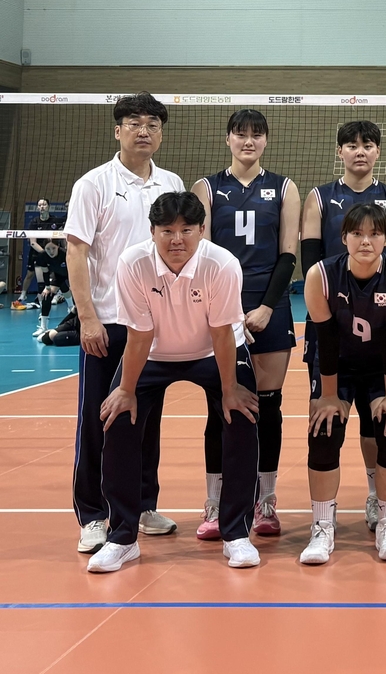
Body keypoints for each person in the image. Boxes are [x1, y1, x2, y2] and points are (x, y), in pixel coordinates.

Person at [87, 192, 260, 572]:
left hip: (214, 351)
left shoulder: (222, 264)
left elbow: (221, 332)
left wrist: (230, 389)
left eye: (186, 230)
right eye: (167, 230)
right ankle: (122, 537)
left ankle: (236, 534)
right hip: (153, 354)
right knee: (117, 419)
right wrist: (125, 391)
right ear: (152, 231)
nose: (176, 239)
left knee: (241, 417)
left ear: (202, 230)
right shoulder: (133, 263)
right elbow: (139, 335)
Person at [66, 92, 184, 555]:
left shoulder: (171, 184)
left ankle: (141, 504)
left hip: (154, 328)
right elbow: (77, 251)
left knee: (146, 419)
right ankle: (93, 515)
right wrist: (87, 318)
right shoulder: (93, 184)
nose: (144, 131)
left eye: (153, 124)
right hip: (109, 324)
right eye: (134, 123)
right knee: (98, 419)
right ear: (118, 131)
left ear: (161, 133)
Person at [194, 109, 300, 538]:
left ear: (266, 141)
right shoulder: (206, 188)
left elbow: (288, 255)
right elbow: (201, 254)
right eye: (241, 134)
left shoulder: (284, 188)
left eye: (257, 134)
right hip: (221, 308)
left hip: (269, 307)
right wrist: (226, 310)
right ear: (228, 139)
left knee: (268, 407)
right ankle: (216, 504)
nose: (249, 141)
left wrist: (267, 308)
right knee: (220, 404)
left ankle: (265, 502)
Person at [300, 119, 386, 533]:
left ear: (378, 151)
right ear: (339, 151)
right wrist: (328, 394)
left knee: (384, 421)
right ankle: (322, 525)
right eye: (351, 144)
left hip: (379, 328)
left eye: (367, 144)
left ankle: (380, 506)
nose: (359, 150)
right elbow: (312, 261)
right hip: (333, 319)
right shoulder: (320, 199)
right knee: (325, 422)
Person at [301, 204, 386, 565]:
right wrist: (329, 395)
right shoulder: (321, 275)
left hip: (382, 365)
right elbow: (325, 338)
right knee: (324, 430)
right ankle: (322, 526)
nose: (365, 241)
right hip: (337, 363)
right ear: (344, 238)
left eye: (374, 234)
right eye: (357, 233)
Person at [13, 198, 63, 310]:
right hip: (37, 252)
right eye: (40, 205)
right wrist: (45, 253)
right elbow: (33, 242)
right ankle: (23, 295)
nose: (42, 207)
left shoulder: (55, 220)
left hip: (50, 252)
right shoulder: (34, 222)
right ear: (37, 208)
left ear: (48, 206)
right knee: (30, 274)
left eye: (44, 204)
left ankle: (54, 295)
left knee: (53, 274)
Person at [32, 239, 69, 338]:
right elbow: (45, 272)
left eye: (53, 248)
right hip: (58, 275)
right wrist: (47, 287)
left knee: (75, 295)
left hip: (71, 274)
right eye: (48, 249)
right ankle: (43, 327)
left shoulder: (65, 254)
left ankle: (71, 308)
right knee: (46, 295)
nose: (51, 251)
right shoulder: (42, 256)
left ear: (58, 247)